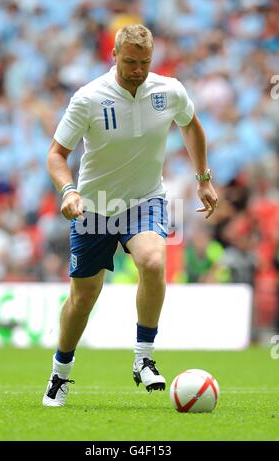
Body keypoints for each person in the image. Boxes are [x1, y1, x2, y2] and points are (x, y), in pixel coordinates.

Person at [42, 24, 218, 407]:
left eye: (144, 62)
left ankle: (143, 357)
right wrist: (68, 190)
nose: (138, 69)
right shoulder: (88, 98)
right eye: (130, 62)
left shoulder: (168, 90)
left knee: (153, 262)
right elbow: (56, 155)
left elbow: (192, 127)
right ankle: (61, 373)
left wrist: (203, 178)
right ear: (114, 56)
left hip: (146, 199)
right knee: (83, 297)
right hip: (95, 205)